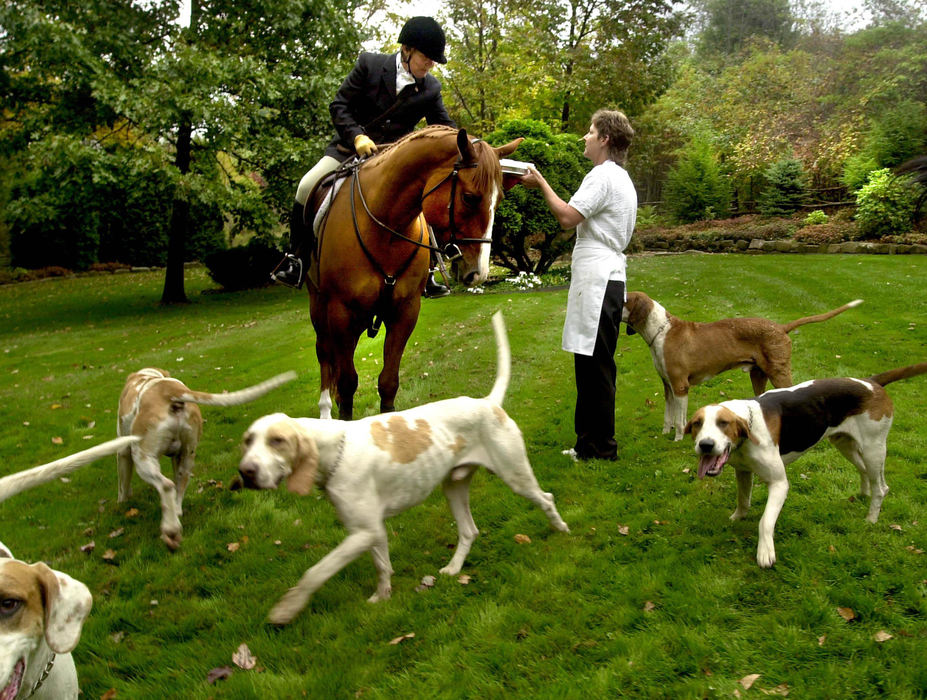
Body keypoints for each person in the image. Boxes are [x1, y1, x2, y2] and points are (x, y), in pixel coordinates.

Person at [273, 16, 456, 297]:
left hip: (392, 163)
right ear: (407, 50)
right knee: (307, 185)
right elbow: (339, 105)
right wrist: (357, 136)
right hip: (348, 151)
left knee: (423, 198)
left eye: (434, 60)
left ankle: (428, 271)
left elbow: (444, 129)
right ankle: (295, 258)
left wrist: (471, 147)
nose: (431, 64)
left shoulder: (430, 88)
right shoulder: (369, 64)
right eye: (427, 58)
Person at [519, 109, 637, 461]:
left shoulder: (602, 176)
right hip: (607, 277)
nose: (584, 137)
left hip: (600, 278)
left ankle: (601, 448)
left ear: (604, 139)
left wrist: (540, 182)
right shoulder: (621, 178)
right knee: (591, 362)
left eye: (590, 132)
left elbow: (568, 218)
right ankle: (588, 444)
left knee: (595, 365)